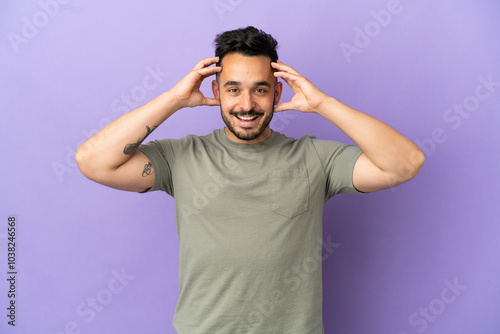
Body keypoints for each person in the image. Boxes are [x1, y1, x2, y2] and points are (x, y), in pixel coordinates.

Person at [76, 26, 424, 334]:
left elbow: (406, 164)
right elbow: (93, 161)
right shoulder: (181, 157)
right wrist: (174, 100)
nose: (246, 104)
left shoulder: (316, 158)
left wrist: (323, 104)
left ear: (277, 93)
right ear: (215, 90)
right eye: (233, 89)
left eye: (260, 90)